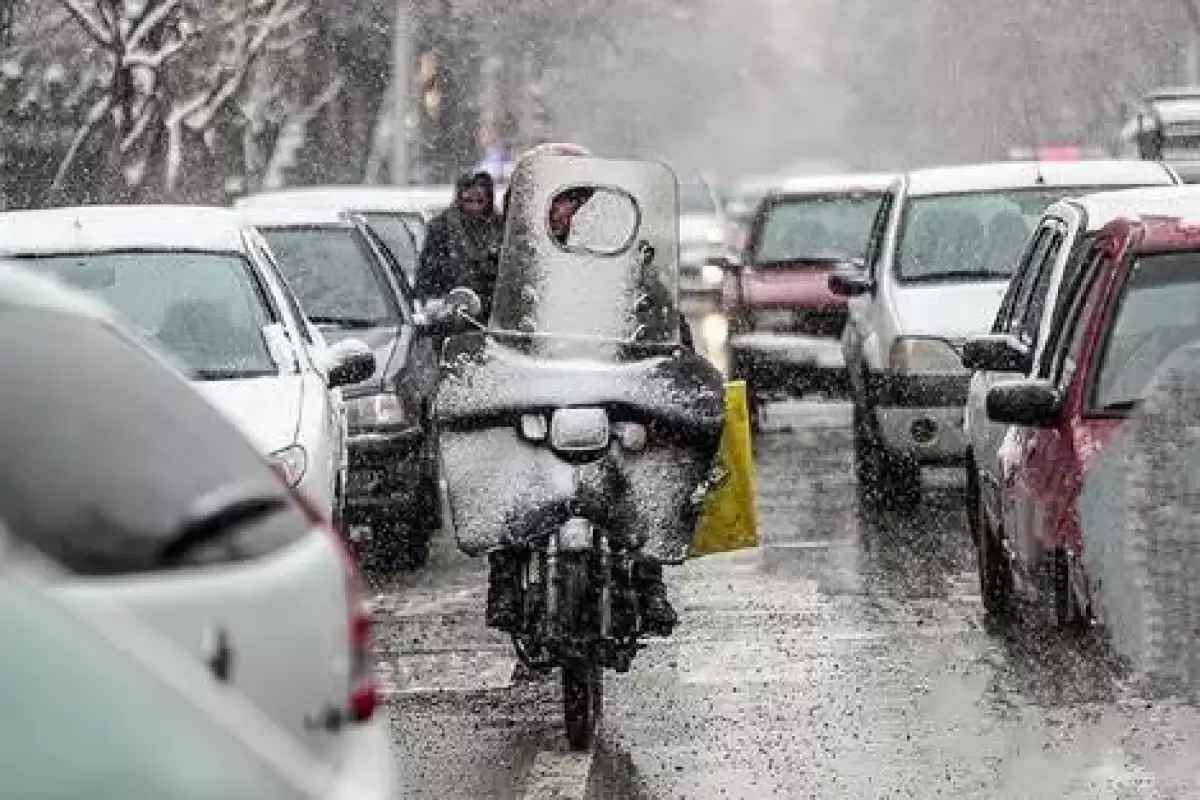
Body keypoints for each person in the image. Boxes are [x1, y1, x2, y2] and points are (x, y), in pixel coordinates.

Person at [415, 171, 504, 318]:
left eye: (480, 201)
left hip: (493, 315)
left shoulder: (501, 227)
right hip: (453, 316)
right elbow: (427, 278)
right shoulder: (441, 228)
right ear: (459, 199)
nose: (475, 207)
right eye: (469, 201)